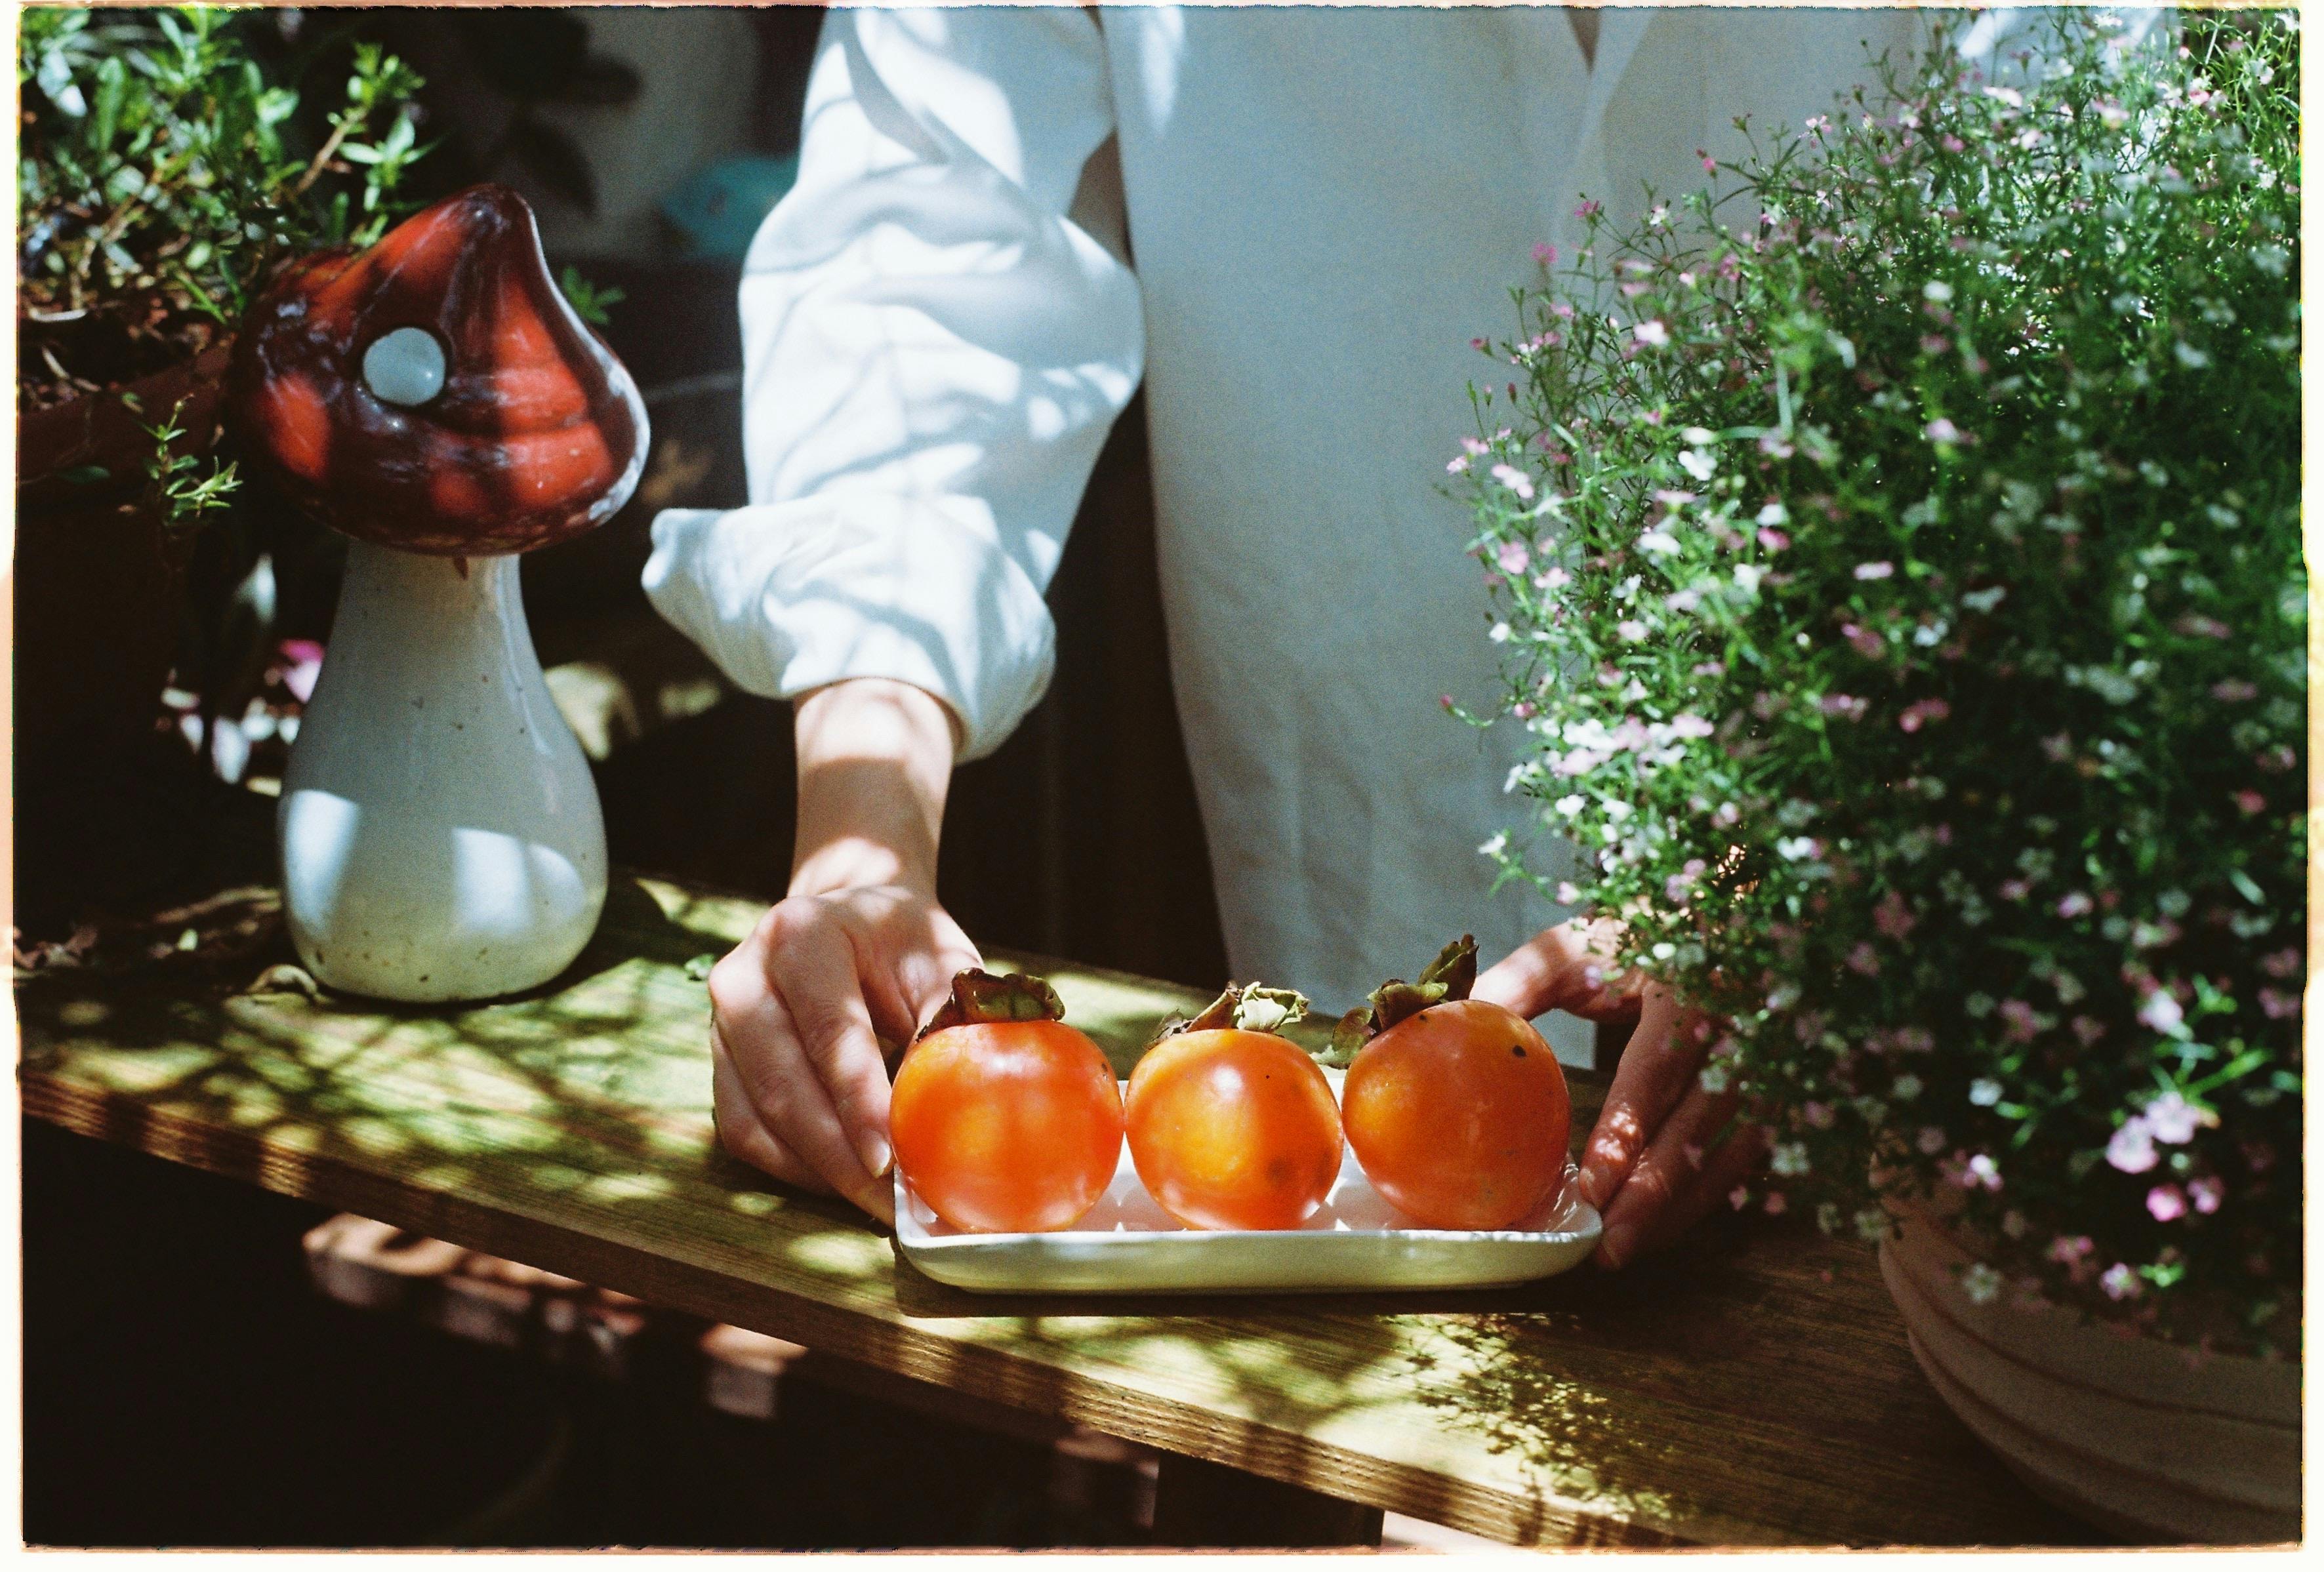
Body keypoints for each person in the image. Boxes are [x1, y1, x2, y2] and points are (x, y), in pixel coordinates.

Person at [643, 5, 1946, 1264]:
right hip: (1345, 1043)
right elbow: (925, 274)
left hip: (1960, 1038)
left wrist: (1812, 878)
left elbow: (2095, 355)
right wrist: (857, 850)